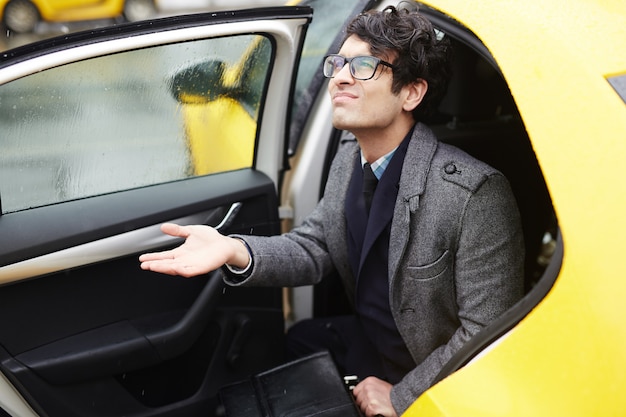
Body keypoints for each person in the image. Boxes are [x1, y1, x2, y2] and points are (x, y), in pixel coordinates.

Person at [140, 5, 524, 417]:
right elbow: (318, 245)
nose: (339, 76)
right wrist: (235, 249)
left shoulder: (474, 194)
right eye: (337, 63)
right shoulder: (347, 157)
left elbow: (488, 334)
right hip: (367, 345)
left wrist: (401, 395)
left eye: (363, 66)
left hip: (430, 375)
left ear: (412, 92)